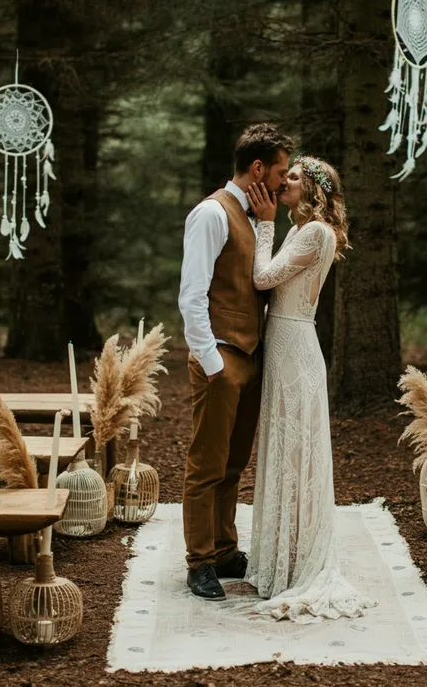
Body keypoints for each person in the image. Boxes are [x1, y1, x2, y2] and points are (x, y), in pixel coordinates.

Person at [244, 156, 376, 623]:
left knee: (297, 454)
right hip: (282, 344)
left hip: (297, 349)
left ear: (316, 189)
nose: (284, 183)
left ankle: (300, 561)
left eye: (294, 178)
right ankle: (280, 557)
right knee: (284, 451)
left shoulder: (316, 232)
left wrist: (263, 226)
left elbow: (263, 278)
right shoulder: (302, 230)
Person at [178, 123, 293, 601]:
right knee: (206, 464)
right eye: (281, 172)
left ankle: (225, 550)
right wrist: (211, 362)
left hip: (249, 355)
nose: (286, 182)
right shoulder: (212, 214)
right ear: (257, 168)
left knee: (233, 463)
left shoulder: (254, 214)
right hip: (221, 356)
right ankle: (199, 561)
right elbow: (191, 295)